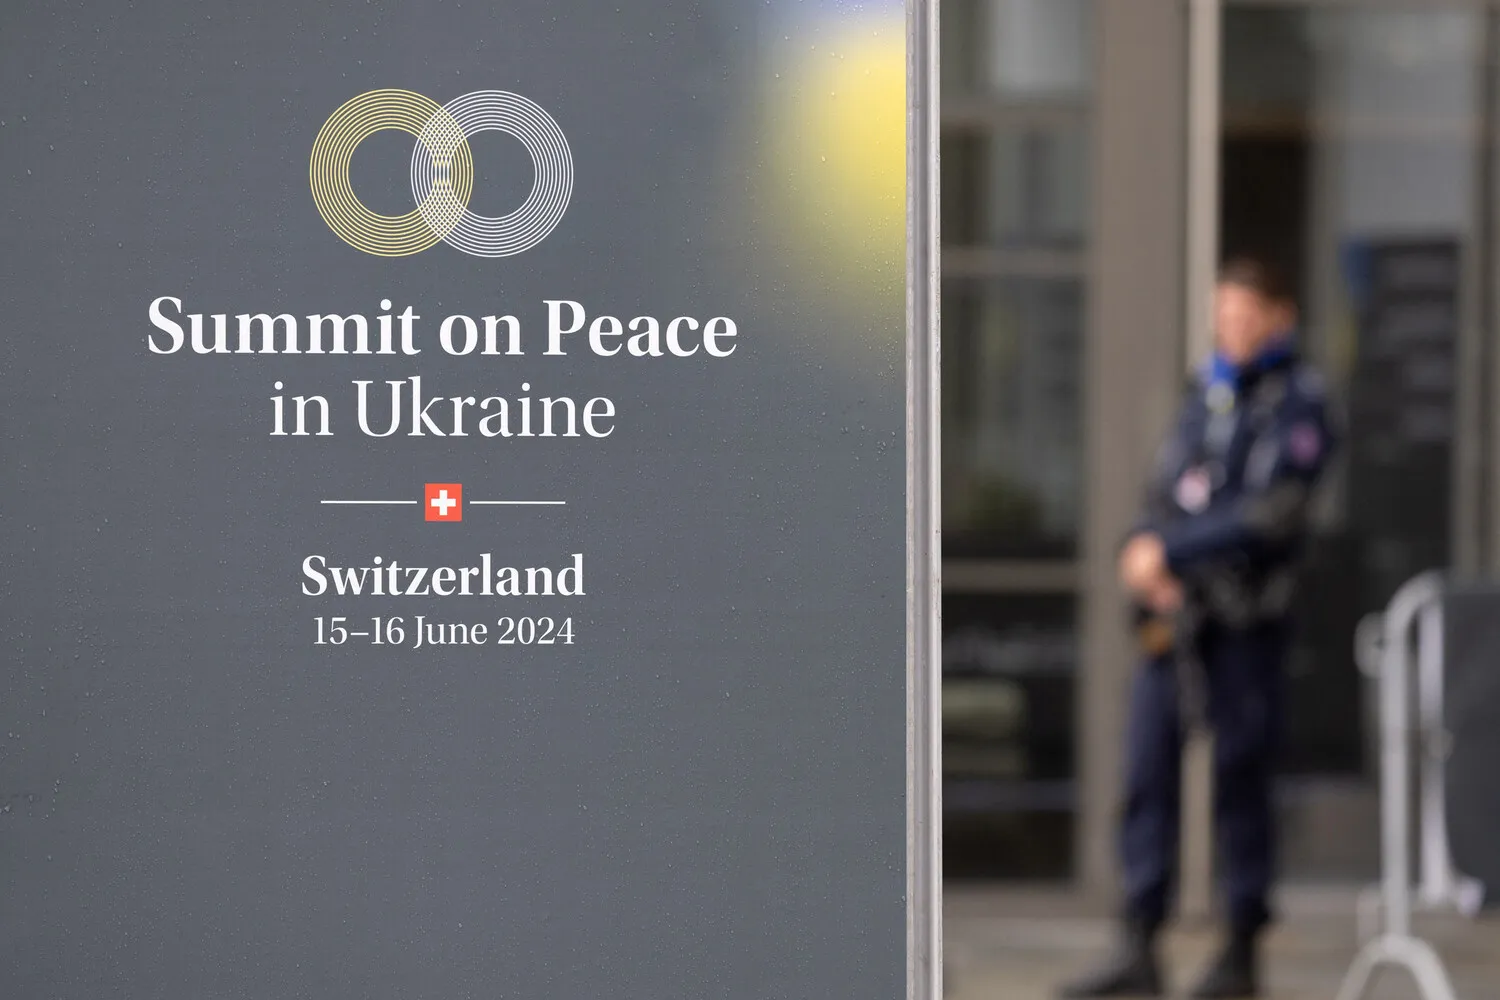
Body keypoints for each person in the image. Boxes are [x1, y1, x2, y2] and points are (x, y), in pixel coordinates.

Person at [1060, 257, 1336, 999]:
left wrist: (1173, 551)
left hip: (1246, 623)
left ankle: (1241, 951)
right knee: (1146, 772)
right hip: (1175, 617)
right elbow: (1164, 489)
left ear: (1279, 317)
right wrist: (1140, 550)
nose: (1232, 329)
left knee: (1241, 780)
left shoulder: (1299, 402)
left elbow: (1271, 515)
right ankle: (1140, 944)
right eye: (1224, 316)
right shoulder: (1205, 391)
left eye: (1245, 316)